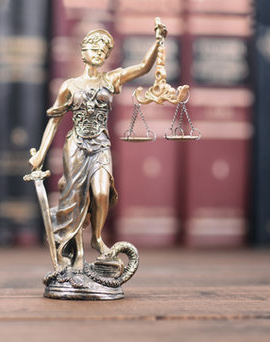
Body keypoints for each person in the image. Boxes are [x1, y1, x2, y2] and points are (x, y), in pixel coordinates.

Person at [28, 23, 167, 271]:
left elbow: (143, 67)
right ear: (84, 52)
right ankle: (72, 250)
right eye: (95, 50)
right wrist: (40, 154)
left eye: (104, 52)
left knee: (102, 193)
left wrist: (158, 42)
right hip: (76, 145)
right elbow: (54, 122)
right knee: (74, 198)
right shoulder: (69, 86)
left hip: (101, 144)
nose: (99, 55)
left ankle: (97, 238)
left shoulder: (111, 79)